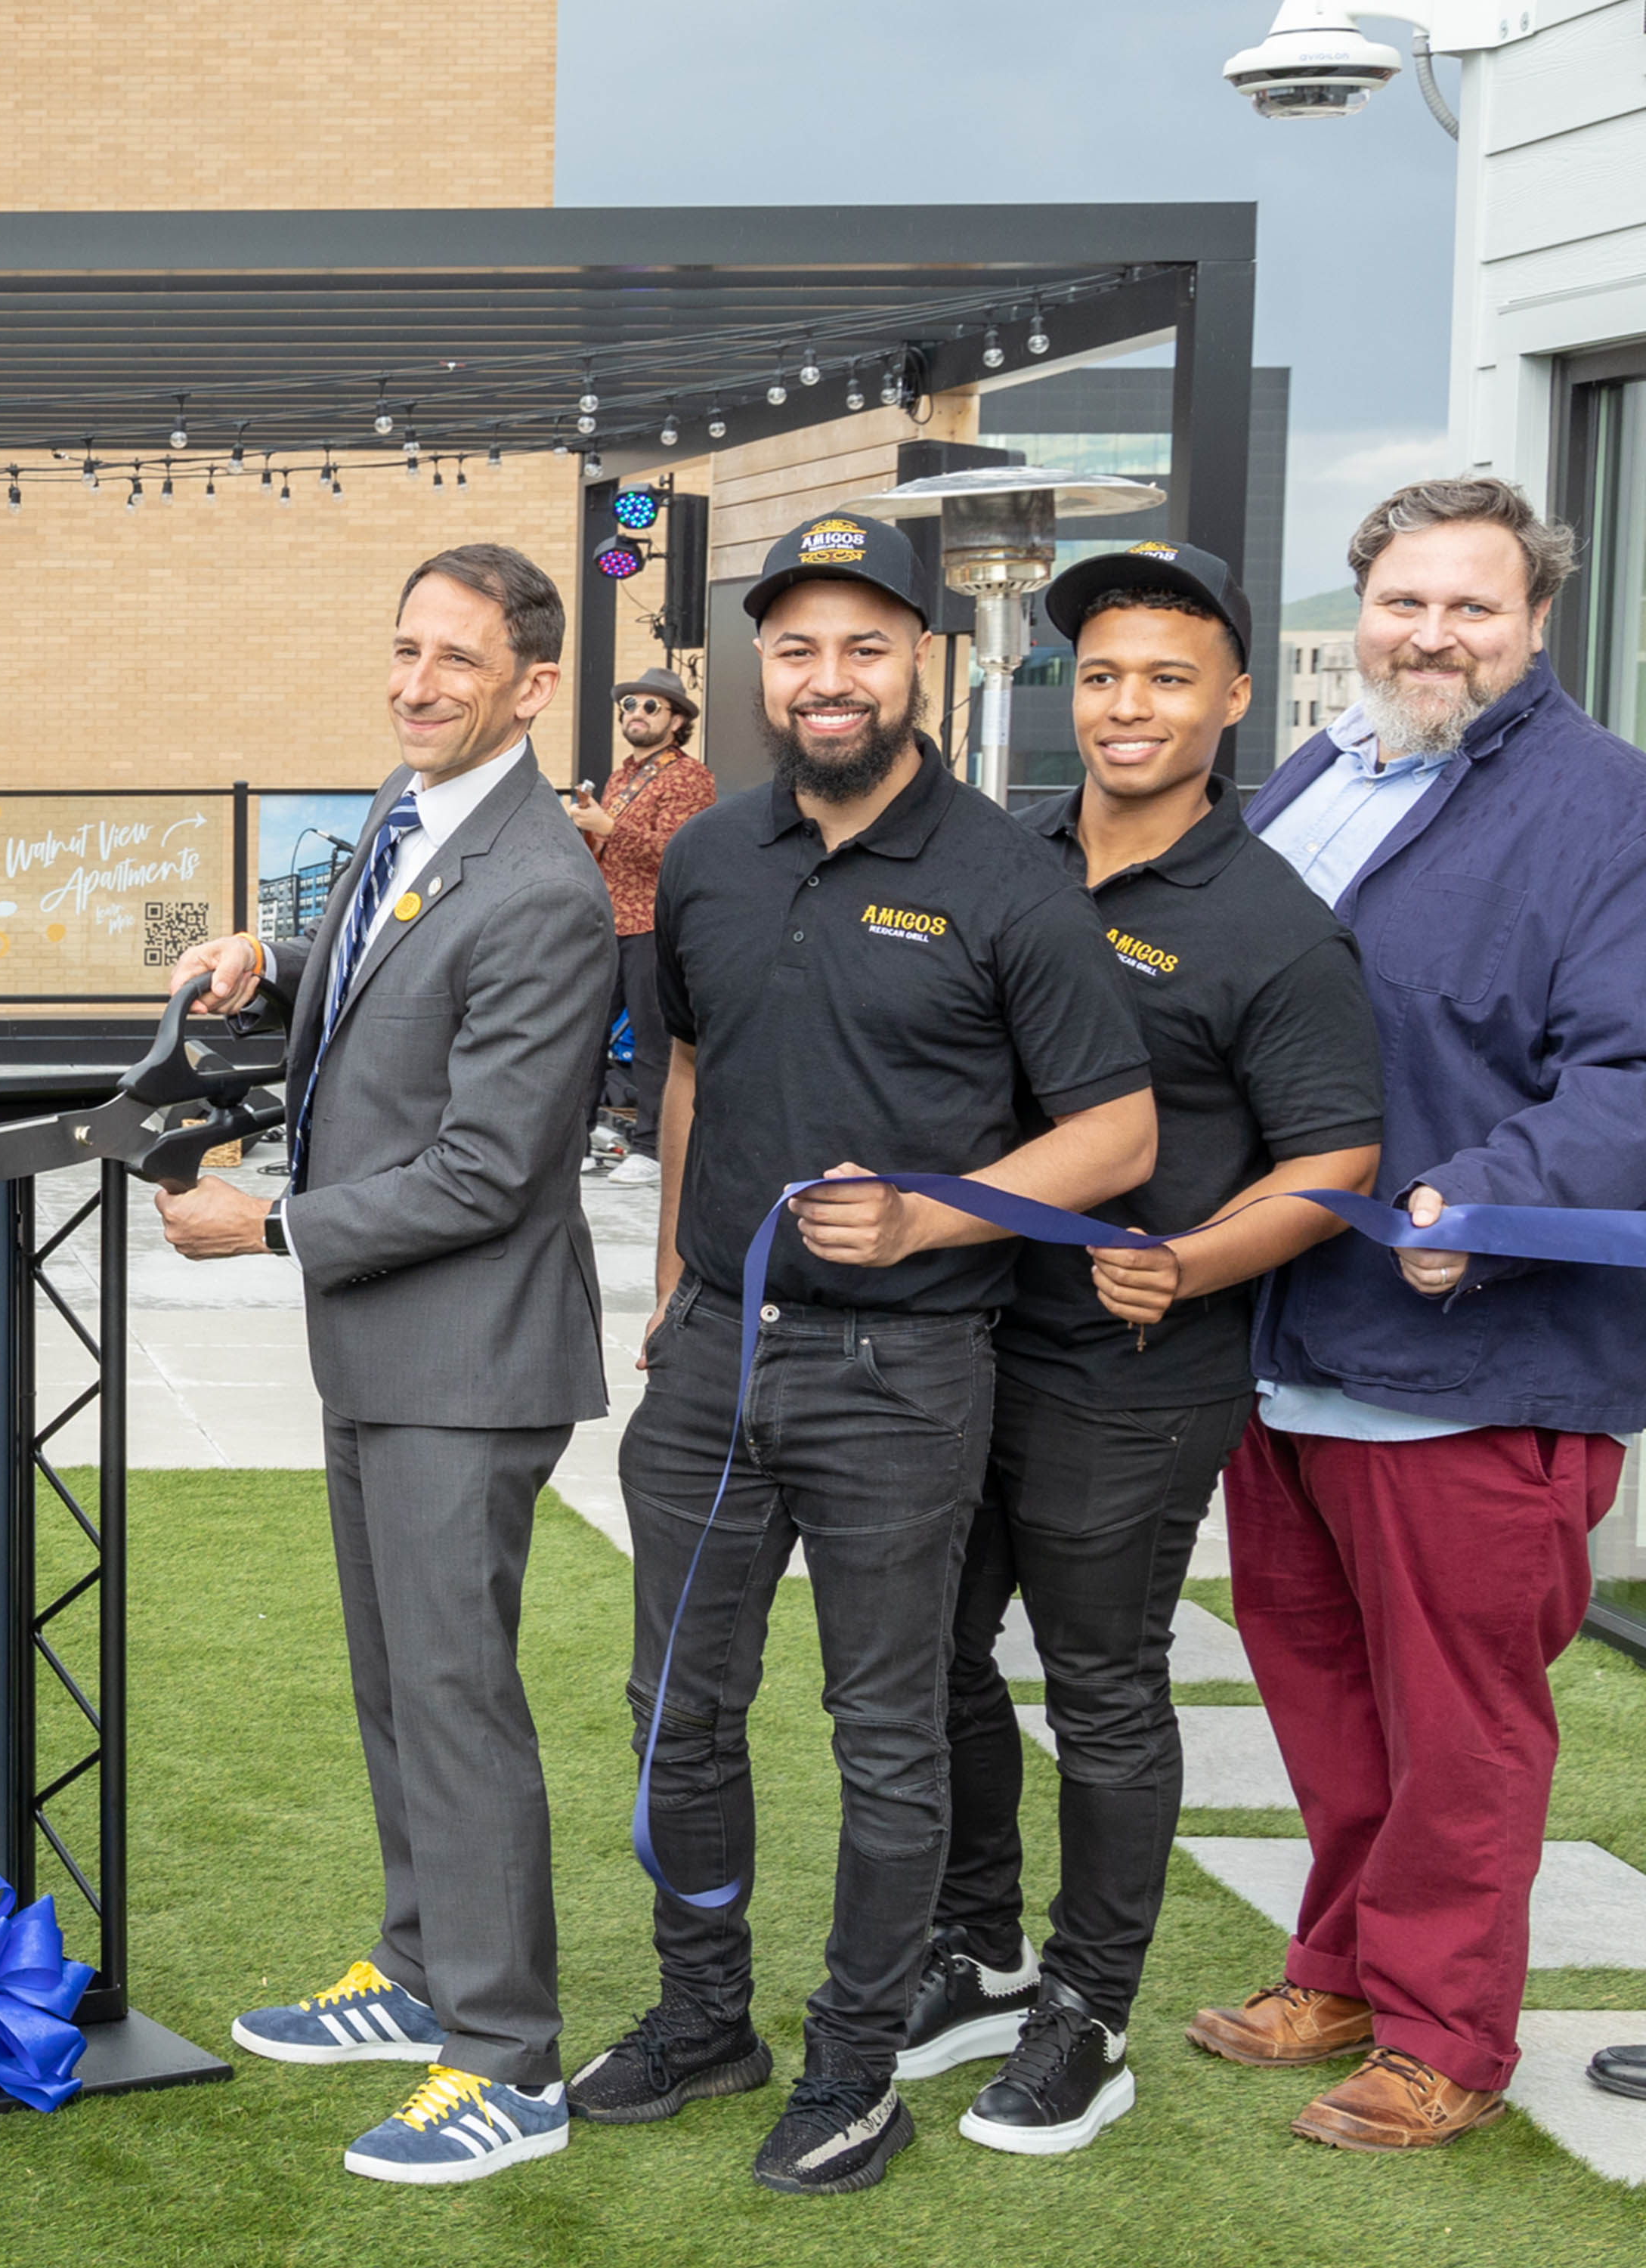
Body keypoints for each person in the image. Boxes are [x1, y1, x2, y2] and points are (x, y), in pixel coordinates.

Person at [579, 512, 1156, 2196]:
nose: (828, 681)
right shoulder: (709, 855)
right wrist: (683, 1281)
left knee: (882, 1729)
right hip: (716, 1358)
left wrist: (935, 1216)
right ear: (756, 671)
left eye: (864, 646)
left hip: (907, 1374)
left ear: (922, 662)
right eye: (797, 648)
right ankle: (707, 2020)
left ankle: (850, 2069)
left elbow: (1116, 1133)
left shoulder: (1003, 879)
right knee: (673, 1709)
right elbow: (687, 1070)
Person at [908, 543, 1383, 2156]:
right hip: (959, 1335)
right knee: (935, 1659)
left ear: (1234, 701)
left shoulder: (1274, 924)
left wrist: (1186, 1263)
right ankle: (978, 1951)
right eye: (1102, 674)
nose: (1127, 705)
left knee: (1102, 1686)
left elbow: (1334, 1164)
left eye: (1168, 678)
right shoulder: (1004, 855)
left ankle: (1087, 2012)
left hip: (1135, 1375)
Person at [1195, 477, 1646, 2151]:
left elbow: (1635, 1069)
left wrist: (1494, 1203)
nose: (1432, 634)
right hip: (1287, 1342)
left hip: (1476, 1353)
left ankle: (1447, 2037)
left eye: (1473, 606)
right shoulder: (1320, 774)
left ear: (1537, 627)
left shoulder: (1610, 809)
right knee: (1321, 1694)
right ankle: (1341, 1964)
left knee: (1460, 1729)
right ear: (1358, 613)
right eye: (1404, 601)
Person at [154, 545, 614, 2185]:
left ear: (534, 687)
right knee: (395, 1687)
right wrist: (270, 970)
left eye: (458, 660)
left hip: (470, 1358)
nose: (418, 683)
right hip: (384, 1349)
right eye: (405, 650)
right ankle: (424, 1974)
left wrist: (269, 1227)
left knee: (455, 1698)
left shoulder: (549, 888)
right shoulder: (412, 815)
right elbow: (372, 1013)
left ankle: (508, 2061)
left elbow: (491, 1168)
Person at [570, 667, 714, 1186]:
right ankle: (576, 1139)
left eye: (650, 706)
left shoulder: (690, 778)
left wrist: (609, 826)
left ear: (677, 720)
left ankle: (651, 1148)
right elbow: (610, 851)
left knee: (656, 1041)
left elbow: (680, 853)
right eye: (629, 706)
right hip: (605, 921)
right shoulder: (621, 775)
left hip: (654, 923)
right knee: (583, 1035)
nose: (635, 714)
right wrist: (587, 831)